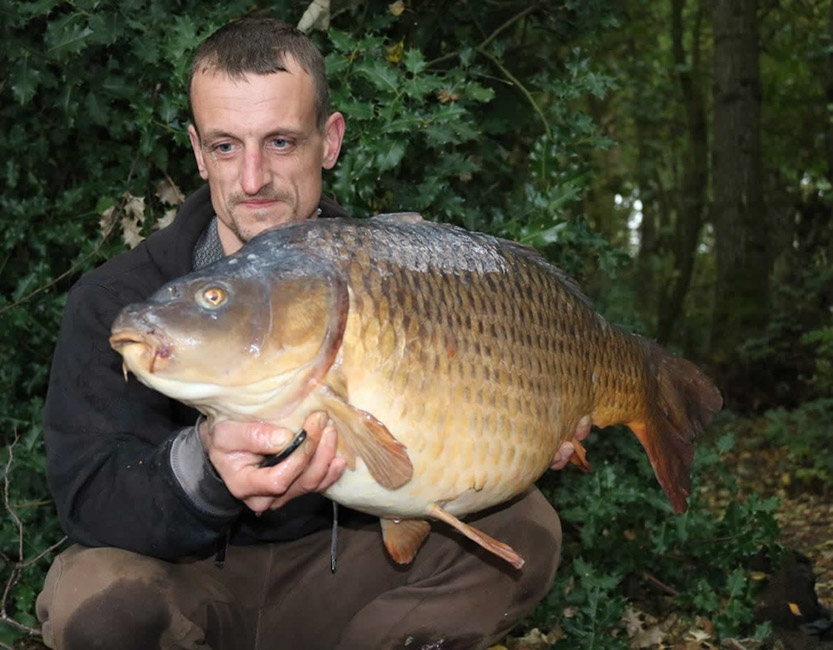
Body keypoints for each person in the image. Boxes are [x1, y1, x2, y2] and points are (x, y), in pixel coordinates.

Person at [36, 16, 587, 650]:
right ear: (196, 151)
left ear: (328, 141)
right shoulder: (122, 300)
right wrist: (205, 473)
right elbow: (88, 496)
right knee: (93, 595)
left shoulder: (389, 274)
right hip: (191, 581)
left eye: (279, 142)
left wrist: (533, 423)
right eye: (225, 146)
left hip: (345, 572)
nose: (252, 179)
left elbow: (475, 403)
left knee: (526, 531)